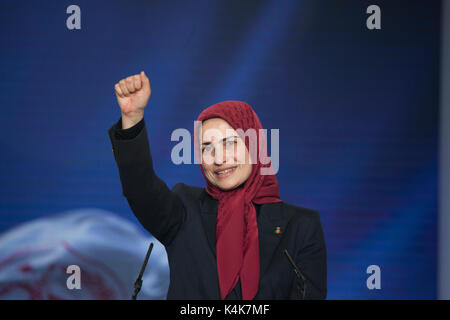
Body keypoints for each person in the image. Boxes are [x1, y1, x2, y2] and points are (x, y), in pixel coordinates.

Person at [108, 71, 327, 300]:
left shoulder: (301, 226)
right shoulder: (184, 209)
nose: (219, 158)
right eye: (206, 148)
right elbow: (140, 188)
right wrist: (132, 120)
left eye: (230, 143)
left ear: (254, 145)